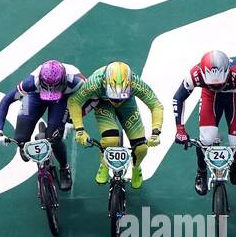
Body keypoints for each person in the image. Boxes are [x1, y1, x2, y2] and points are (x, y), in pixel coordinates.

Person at [171, 50, 236, 194]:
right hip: (210, 97)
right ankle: (201, 170)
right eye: (214, 85)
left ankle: (235, 162)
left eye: (220, 84)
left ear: (228, 72)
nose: (218, 88)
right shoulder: (194, 75)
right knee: (206, 139)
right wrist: (180, 129)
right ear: (203, 75)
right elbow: (178, 98)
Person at [68, 61, 164, 189]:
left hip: (128, 105)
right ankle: (104, 163)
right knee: (110, 140)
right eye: (114, 96)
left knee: (141, 148)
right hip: (104, 104)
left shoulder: (135, 82)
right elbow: (74, 101)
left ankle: (136, 167)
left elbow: (155, 104)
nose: (117, 101)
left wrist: (156, 132)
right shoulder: (95, 82)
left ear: (130, 85)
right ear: (105, 83)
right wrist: (79, 129)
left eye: (120, 97)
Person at [0, 59, 85, 191]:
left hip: (63, 99)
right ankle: (23, 144)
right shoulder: (31, 82)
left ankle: (64, 168)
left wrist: (72, 120)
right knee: (20, 138)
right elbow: (7, 100)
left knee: (55, 138)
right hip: (35, 95)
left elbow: (89, 100)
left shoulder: (77, 82)